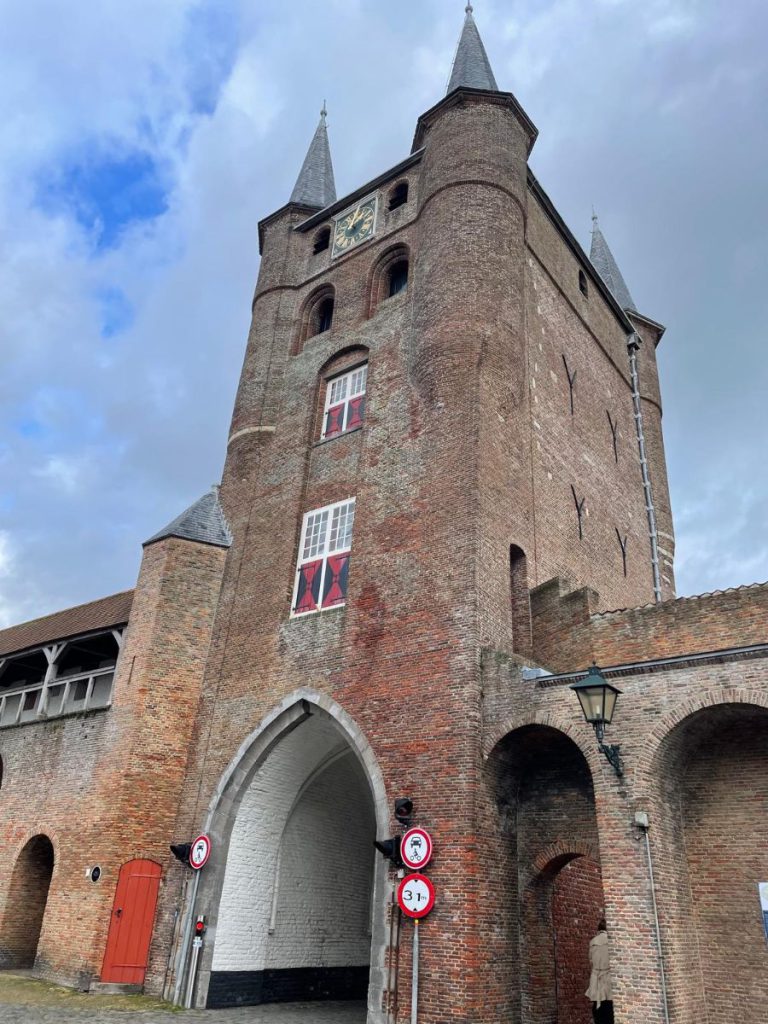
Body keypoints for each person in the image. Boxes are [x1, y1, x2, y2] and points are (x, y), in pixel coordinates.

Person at [585, 918, 614, 1023]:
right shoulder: (611, 941)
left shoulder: (592, 942)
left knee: (597, 1004)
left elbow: (591, 961)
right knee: (609, 1004)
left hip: (596, 977)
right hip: (608, 976)